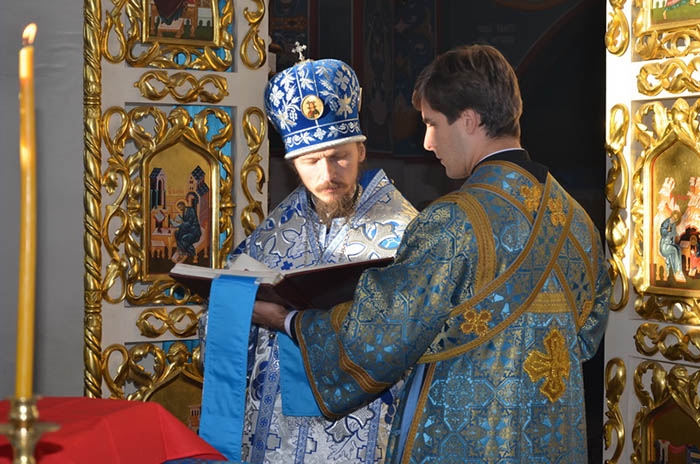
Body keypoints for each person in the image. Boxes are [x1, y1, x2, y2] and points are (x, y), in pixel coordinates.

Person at [252, 44, 612, 462]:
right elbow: (588, 332)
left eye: (432, 123)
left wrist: (287, 319)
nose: (426, 142)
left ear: (469, 120)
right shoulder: (577, 220)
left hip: (471, 441)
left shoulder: (452, 221)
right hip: (554, 437)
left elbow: (380, 336)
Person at [200, 53, 418, 463]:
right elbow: (219, 329)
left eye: (339, 156)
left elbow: (410, 336)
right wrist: (233, 305)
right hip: (277, 432)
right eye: (311, 161)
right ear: (292, 164)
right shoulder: (272, 235)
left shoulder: (407, 234)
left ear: (361, 150)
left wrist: (284, 320)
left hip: (361, 424)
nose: (327, 175)